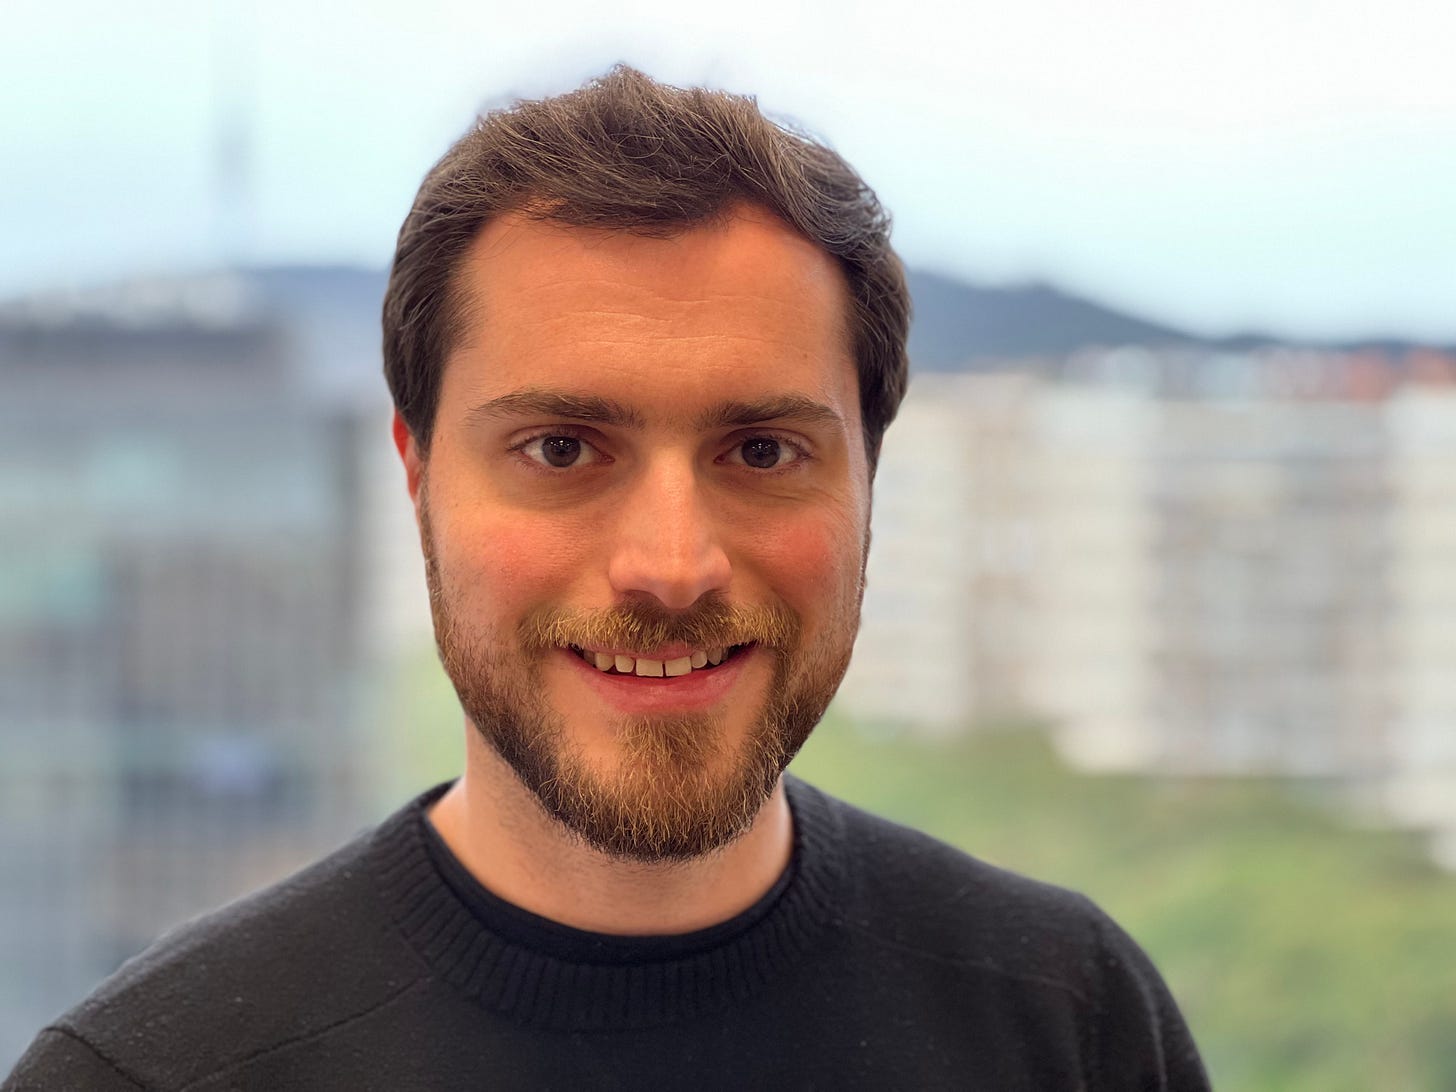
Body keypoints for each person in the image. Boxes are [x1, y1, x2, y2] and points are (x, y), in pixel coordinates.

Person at [5, 67, 1209, 1090]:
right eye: (561, 450)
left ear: (868, 481)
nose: (671, 568)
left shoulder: (1067, 1019)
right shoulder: (147, 1076)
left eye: (761, 452)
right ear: (416, 476)